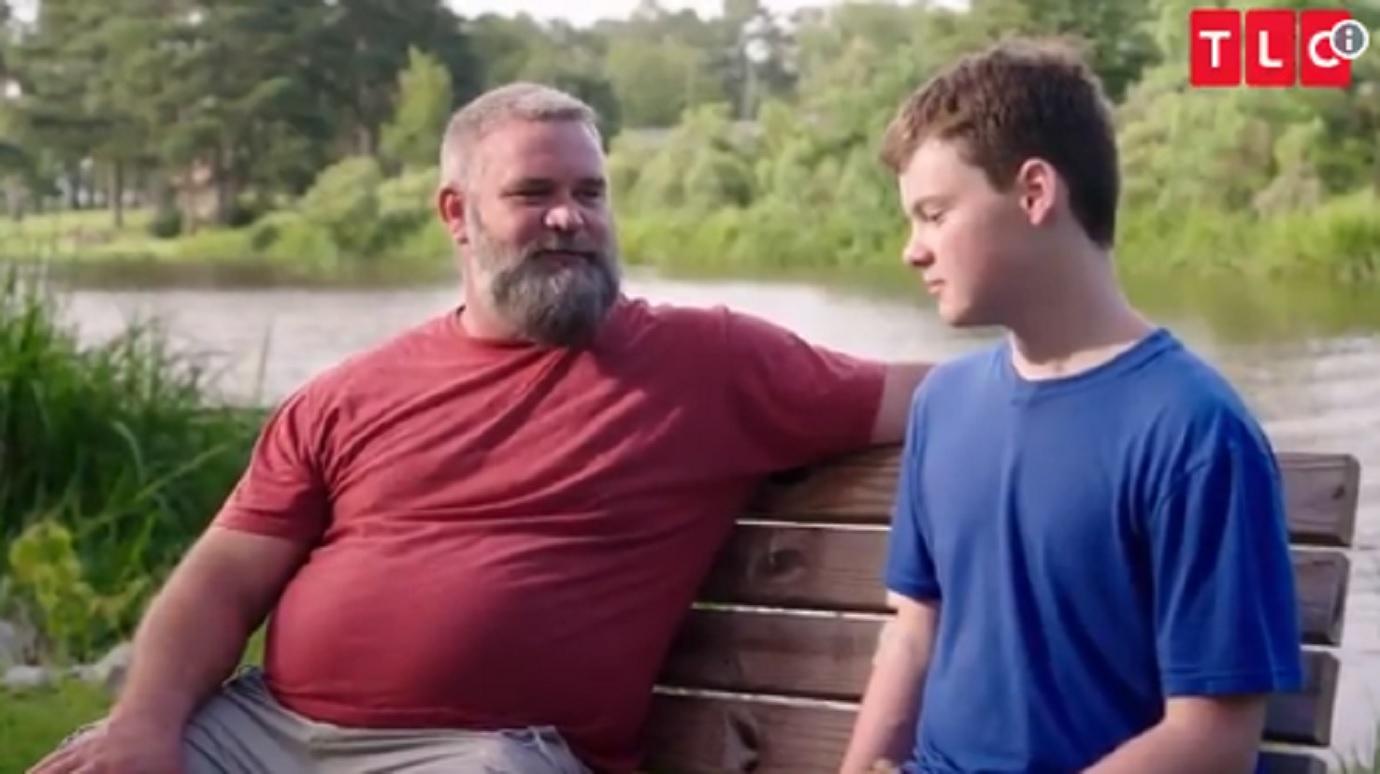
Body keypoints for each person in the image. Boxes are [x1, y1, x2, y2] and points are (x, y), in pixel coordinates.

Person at [31, 83, 929, 774]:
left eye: (590, 191)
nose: (570, 218)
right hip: (268, 731)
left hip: (481, 755)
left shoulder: (712, 363)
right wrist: (145, 721)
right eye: (533, 192)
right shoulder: (350, 395)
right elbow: (222, 579)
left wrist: (1058, 335)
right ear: (457, 214)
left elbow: (937, 394)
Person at [840, 40, 1304, 774]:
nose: (912, 251)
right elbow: (913, 631)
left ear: (1034, 193)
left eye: (933, 215)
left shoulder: (1193, 431)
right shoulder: (946, 405)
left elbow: (1215, 740)